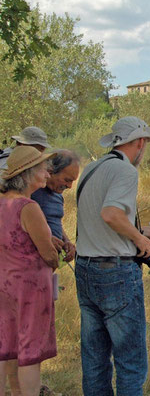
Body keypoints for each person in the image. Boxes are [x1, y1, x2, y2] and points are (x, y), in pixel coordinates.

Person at [74, 116, 150, 396]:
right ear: (139, 143)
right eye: (145, 143)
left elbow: (101, 218)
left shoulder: (92, 168)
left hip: (86, 266)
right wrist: (140, 239)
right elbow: (111, 214)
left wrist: (141, 230)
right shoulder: (126, 172)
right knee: (130, 361)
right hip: (115, 271)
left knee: (95, 358)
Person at [0, 147, 59, 396]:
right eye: (41, 169)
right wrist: (56, 254)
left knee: (5, 347)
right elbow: (48, 254)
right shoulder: (28, 206)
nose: (46, 174)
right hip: (30, 290)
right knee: (30, 352)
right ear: (26, 174)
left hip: (4, 284)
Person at [31, 149, 80, 264]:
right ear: (51, 171)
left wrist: (66, 241)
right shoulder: (31, 191)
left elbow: (53, 221)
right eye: (67, 180)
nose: (69, 186)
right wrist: (45, 239)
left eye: (72, 181)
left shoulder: (57, 195)